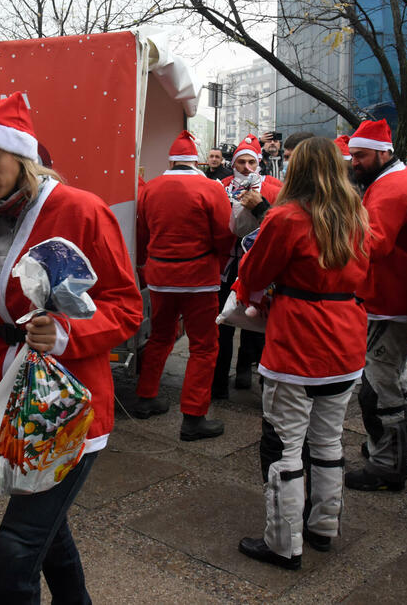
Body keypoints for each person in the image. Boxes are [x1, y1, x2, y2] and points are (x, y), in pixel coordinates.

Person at [0, 92, 142, 602]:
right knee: (48, 535)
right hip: (9, 405)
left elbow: (126, 307)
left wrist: (66, 333)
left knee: (16, 547)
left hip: (69, 406)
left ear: (22, 157)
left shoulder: (81, 210)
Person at [235, 137, 371, 570]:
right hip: (346, 339)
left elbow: (254, 271)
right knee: (328, 442)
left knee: (285, 447)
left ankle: (283, 543)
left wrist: (251, 298)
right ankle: (323, 527)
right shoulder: (358, 216)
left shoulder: (287, 218)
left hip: (296, 342)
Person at [135, 130, 234, 439]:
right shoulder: (211, 188)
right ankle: (193, 416)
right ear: (197, 160)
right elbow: (224, 234)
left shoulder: (150, 189)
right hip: (200, 280)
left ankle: (146, 397)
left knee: (160, 337)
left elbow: (141, 233)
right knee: (204, 347)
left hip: (160, 277)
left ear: (171, 160)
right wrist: (219, 263)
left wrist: (142, 264)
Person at [345, 119, 407, 493]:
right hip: (390, 296)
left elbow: (371, 244)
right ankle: (385, 450)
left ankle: (388, 465)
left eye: (360, 156)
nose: (354, 162)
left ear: (382, 152)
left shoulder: (392, 186)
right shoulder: (393, 179)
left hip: (392, 299)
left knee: (380, 388)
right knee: (387, 382)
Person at [215, 135, 283, 395]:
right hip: (227, 265)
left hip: (259, 266)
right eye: (240, 162)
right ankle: (219, 381)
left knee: (256, 326)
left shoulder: (274, 187)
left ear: (259, 163)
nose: (246, 167)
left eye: (250, 162)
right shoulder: (221, 186)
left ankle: (247, 371)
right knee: (224, 323)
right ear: (233, 164)